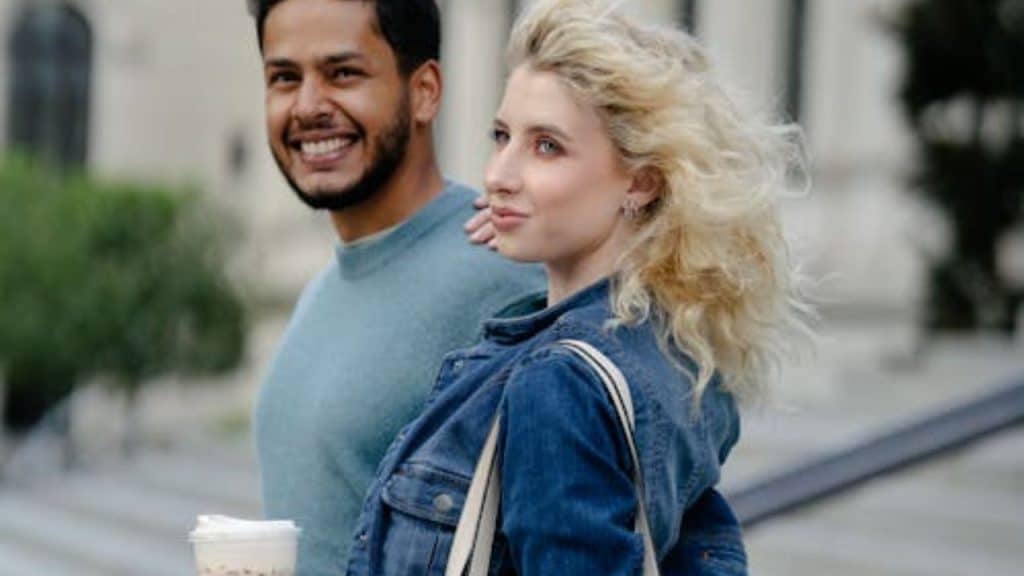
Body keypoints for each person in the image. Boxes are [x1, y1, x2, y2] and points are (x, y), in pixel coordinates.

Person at [345, 0, 814, 574]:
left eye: (547, 146)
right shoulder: (677, 353)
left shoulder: (560, 385)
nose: (497, 175)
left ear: (641, 182)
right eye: (502, 136)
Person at [247, 1, 543, 574]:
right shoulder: (322, 288)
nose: (307, 106)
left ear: (425, 91)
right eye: (284, 78)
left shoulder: (505, 278)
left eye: (343, 73)